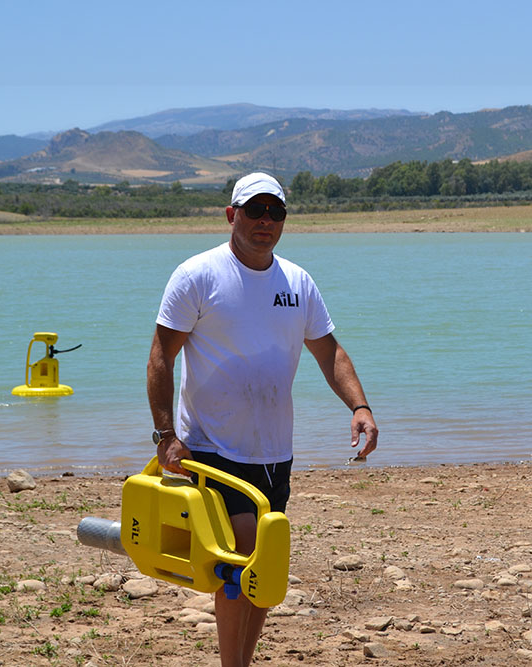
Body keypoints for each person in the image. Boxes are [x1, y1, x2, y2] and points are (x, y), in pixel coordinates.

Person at [146, 172, 378, 667]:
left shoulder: (298, 282)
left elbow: (329, 352)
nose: (265, 221)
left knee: (264, 569)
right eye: (255, 210)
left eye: (276, 212)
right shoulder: (198, 275)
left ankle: (241, 662)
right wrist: (166, 435)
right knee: (242, 555)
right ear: (232, 214)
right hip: (212, 447)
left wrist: (359, 406)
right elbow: (161, 356)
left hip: (275, 451)